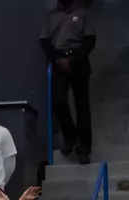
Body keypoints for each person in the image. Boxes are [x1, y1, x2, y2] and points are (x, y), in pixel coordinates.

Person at [44, 0, 95, 164]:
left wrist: (71, 59)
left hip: (78, 60)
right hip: (58, 61)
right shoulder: (51, 16)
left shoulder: (82, 13)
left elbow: (89, 41)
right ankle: (71, 135)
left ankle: (84, 147)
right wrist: (58, 59)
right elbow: (44, 41)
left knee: (82, 105)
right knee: (58, 101)